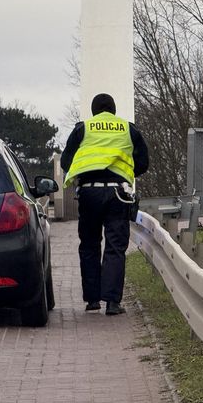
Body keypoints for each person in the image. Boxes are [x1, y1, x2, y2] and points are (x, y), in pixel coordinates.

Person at [60, 93, 149, 315]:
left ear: (93, 111)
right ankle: (112, 302)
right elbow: (143, 163)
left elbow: (65, 162)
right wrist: (125, 172)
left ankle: (92, 300)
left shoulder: (83, 129)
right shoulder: (128, 129)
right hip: (118, 194)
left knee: (89, 245)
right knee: (115, 246)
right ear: (114, 109)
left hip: (89, 193)